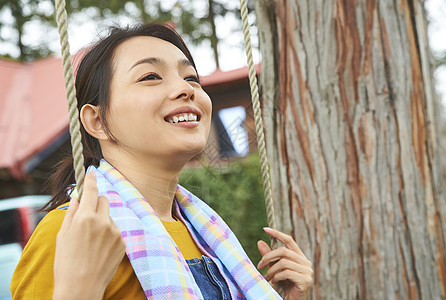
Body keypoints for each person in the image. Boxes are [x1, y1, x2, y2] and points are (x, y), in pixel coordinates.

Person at [10, 23, 313, 300]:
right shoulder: (70, 233)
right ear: (97, 121)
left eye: (191, 77)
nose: (186, 89)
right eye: (151, 76)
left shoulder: (207, 234)